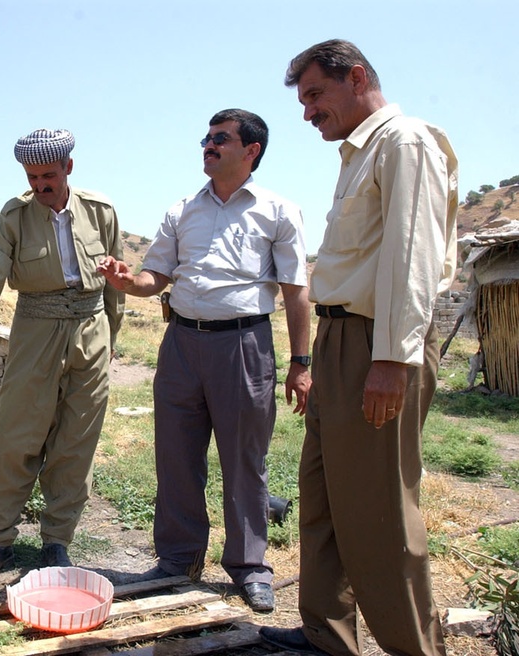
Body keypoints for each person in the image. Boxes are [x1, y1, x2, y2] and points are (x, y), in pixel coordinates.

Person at [259, 40, 457, 656]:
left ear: (358, 78)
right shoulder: (360, 153)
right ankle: (325, 636)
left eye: (316, 94)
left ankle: (410, 648)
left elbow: (412, 258)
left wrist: (392, 360)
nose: (308, 112)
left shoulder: (404, 142)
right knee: (321, 499)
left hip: (377, 344)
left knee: (378, 516)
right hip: (341, 339)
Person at [97, 109, 310, 613]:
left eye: (220, 139)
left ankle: (249, 567)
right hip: (180, 346)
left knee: (243, 461)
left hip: (244, 345)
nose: (208, 146)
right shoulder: (181, 211)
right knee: (175, 456)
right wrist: (128, 283)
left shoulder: (278, 211)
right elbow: (156, 278)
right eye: (206, 138)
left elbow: (297, 293)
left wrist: (301, 362)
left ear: (250, 150)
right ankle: (177, 560)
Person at [0, 129, 124, 586]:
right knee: (16, 438)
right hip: (36, 330)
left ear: (69, 167)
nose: (41, 184)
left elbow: (116, 284)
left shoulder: (101, 212)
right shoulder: (13, 217)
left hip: (92, 332)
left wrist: (110, 339)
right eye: (32, 176)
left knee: (75, 443)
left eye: (49, 175)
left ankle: (56, 542)